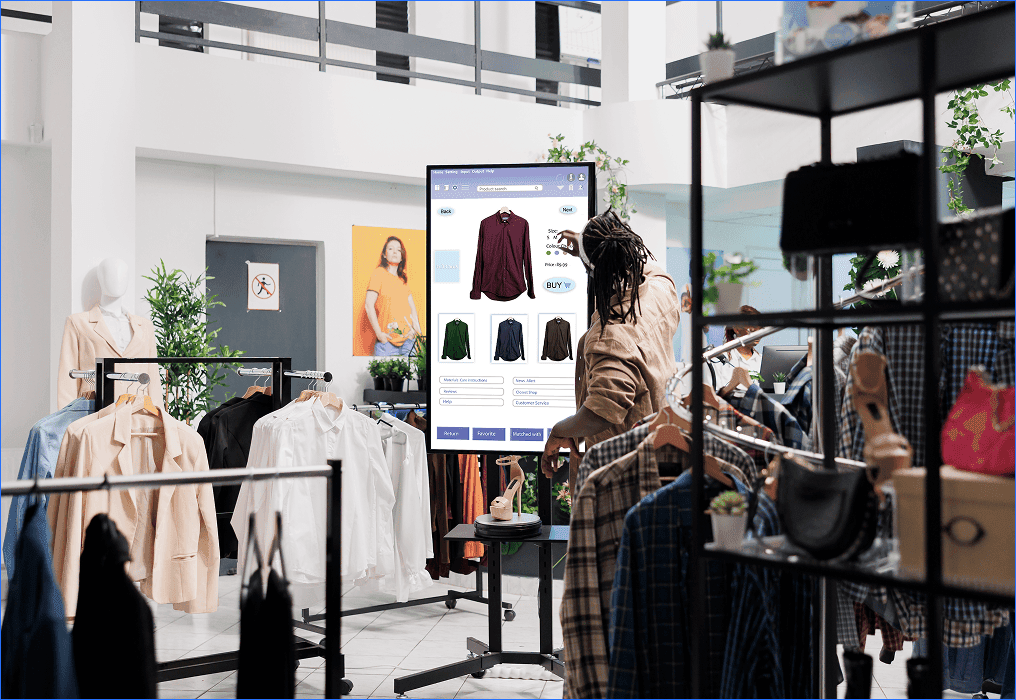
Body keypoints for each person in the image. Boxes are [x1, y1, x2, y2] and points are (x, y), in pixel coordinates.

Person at [540, 211, 681, 488]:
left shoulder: (611, 336)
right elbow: (652, 269)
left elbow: (602, 411)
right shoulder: (660, 292)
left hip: (621, 475)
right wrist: (586, 247)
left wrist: (559, 431)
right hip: (660, 455)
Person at [365, 236, 422, 357]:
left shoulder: (403, 280)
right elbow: (368, 305)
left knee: (413, 370)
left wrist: (416, 333)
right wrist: (379, 334)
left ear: (402, 257)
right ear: (384, 255)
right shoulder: (378, 273)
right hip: (386, 344)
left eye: (398, 249)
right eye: (390, 249)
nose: (395, 251)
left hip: (408, 342)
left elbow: (412, 309)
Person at [712, 304, 763, 389]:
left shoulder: (762, 360)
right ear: (736, 329)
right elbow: (715, 393)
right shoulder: (719, 360)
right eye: (752, 330)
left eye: (760, 331)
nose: (757, 335)